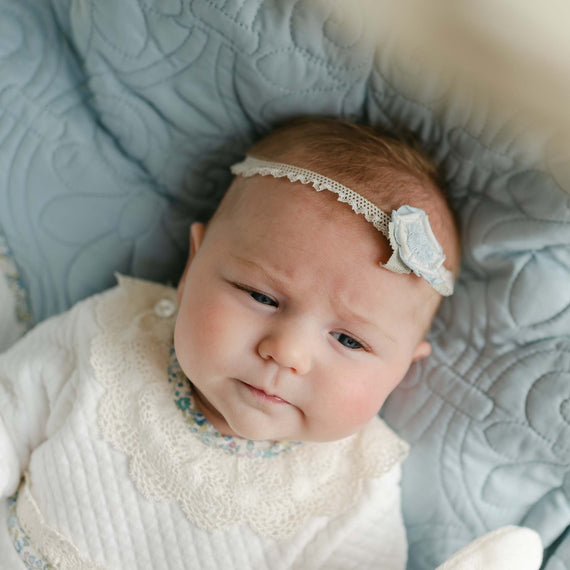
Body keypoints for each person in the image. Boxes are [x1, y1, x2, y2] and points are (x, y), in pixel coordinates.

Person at [0, 118, 540, 570]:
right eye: (259, 295)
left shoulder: (352, 488)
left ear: (401, 369)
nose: (287, 353)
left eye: (349, 339)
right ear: (193, 266)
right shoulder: (111, 334)